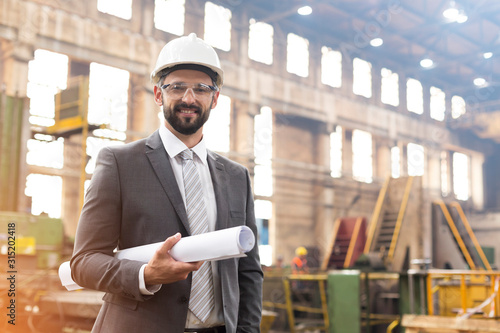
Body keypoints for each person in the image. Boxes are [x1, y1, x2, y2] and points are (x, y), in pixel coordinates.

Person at [70, 33, 263, 333]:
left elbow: (249, 271)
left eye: (201, 88)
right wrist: (145, 274)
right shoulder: (119, 163)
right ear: (159, 95)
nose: (189, 98)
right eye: (177, 87)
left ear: (215, 97)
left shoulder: (236, 177)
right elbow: (83, 262)